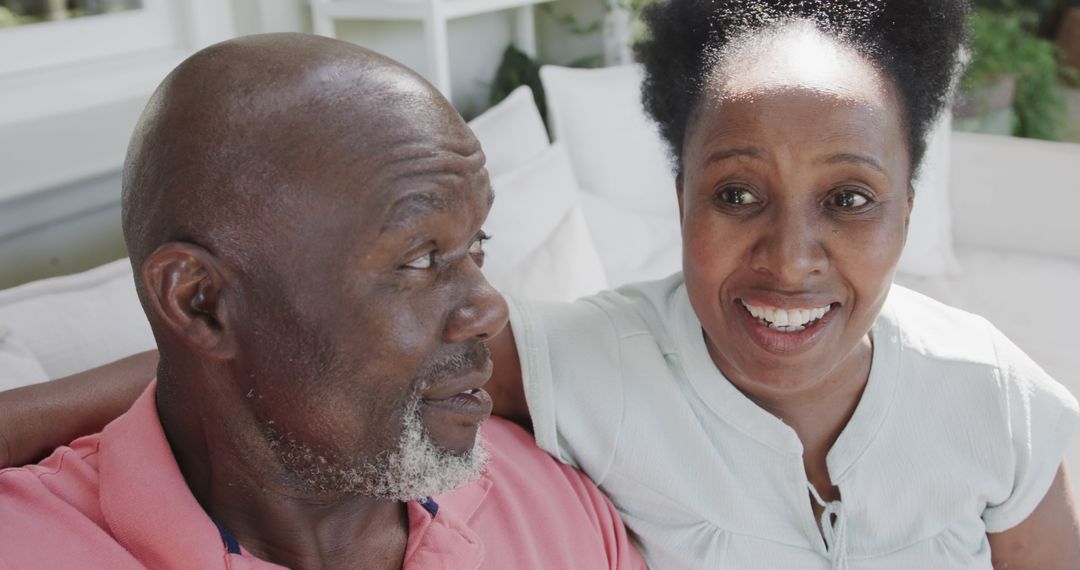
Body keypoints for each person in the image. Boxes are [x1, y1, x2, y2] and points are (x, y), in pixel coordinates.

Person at [3, 0, 1080, 568]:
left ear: (907, 205)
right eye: (738, 197)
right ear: (681, 195)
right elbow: (231, 370)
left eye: (851, 201)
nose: (791, 261)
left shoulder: (995, 395)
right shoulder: (585, 365)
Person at [0, 33, 645, 570]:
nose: (490, 308)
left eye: (476, 246)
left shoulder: (558, 506)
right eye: (418, 260)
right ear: (200, 303)